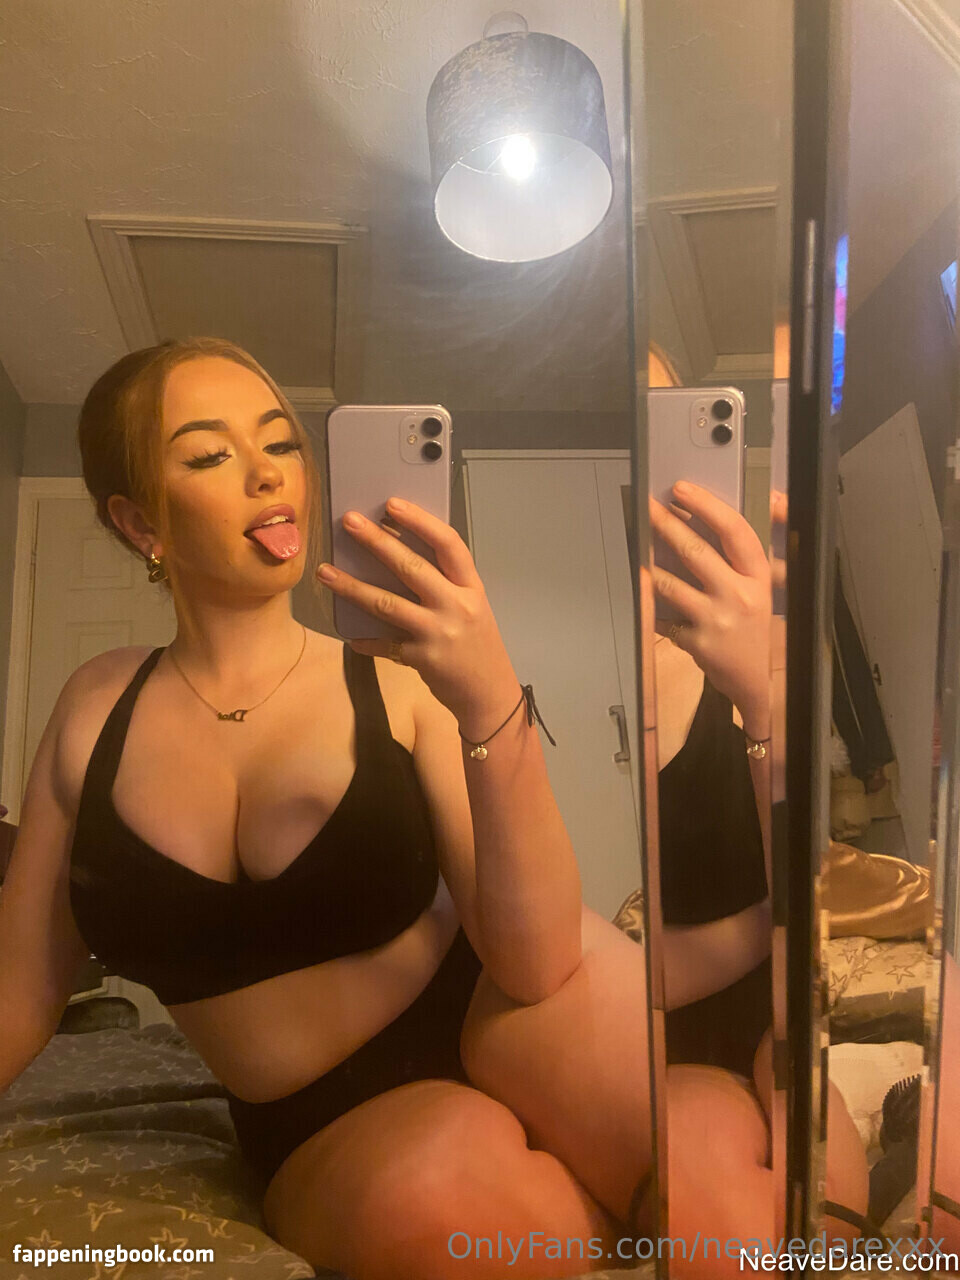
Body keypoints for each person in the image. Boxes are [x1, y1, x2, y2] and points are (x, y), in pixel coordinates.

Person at [0, 335, 858, 1279]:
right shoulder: (96, 709)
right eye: (209, 455)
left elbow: (535, 962)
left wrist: (487, 700)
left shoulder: (396, 678)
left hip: (522, 1009)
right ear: (138, 523)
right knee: (460, 1215)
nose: (266, 474)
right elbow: (20, 989)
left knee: (730, 1210)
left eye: (280, 443)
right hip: (335, 1111)